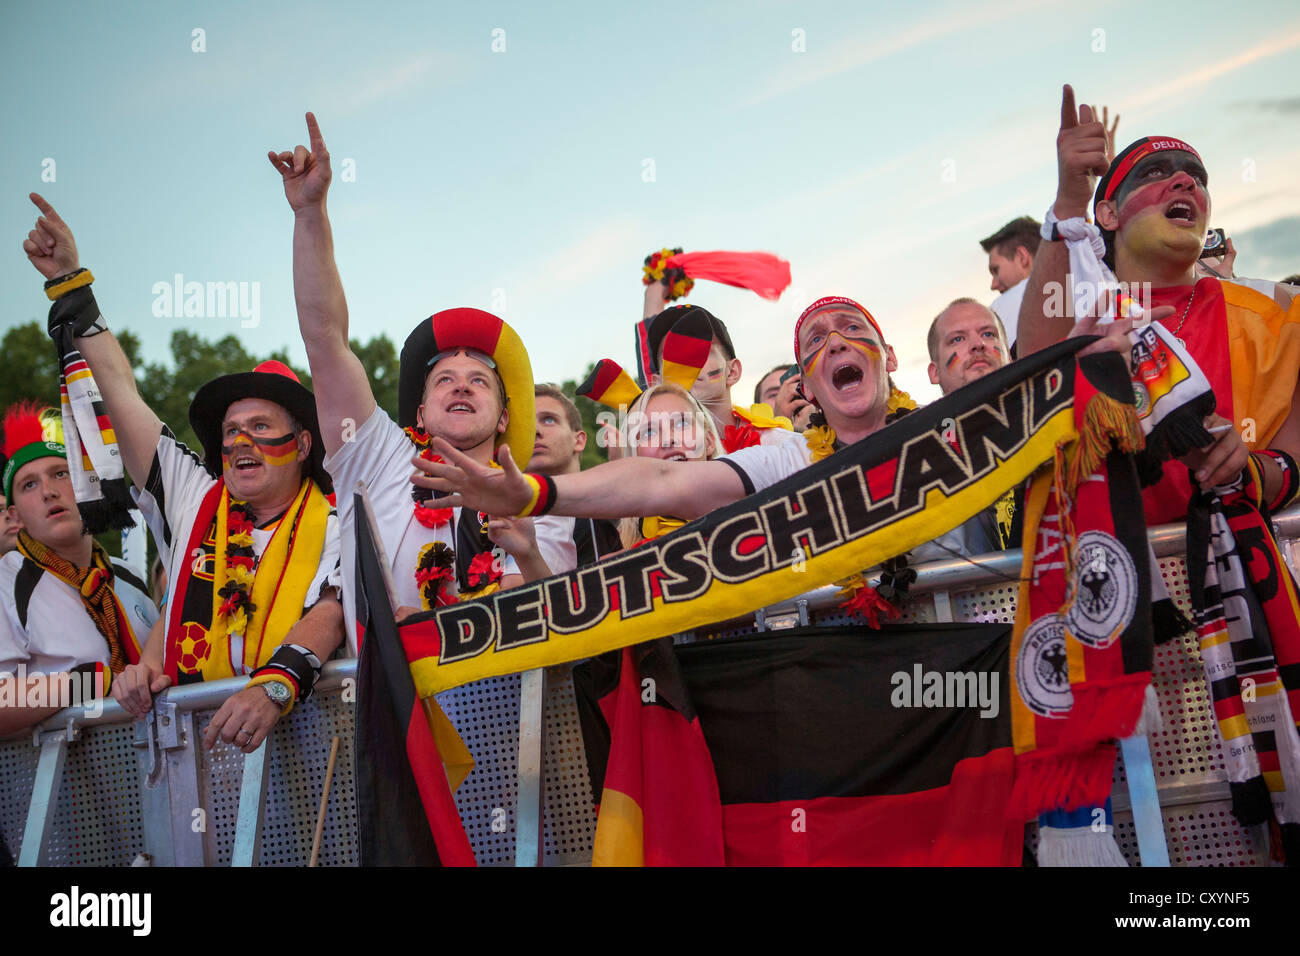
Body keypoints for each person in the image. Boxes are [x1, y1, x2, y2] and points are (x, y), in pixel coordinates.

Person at [414, 295, 1131, 556]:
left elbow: (1025, 375)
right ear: (810, 383)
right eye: (816, 339)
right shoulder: (791, 457)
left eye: (854, 329)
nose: (837, 342)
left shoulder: (955, 429)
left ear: (887, 358)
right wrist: (537, 497)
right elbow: (664, 481)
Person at [21, 194, 345, 754]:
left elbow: (332, 609)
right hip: (192, 761)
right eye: (230, 430)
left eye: (260, 426)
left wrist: (273, 684)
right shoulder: (194, 497)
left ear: (302, 444)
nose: (239, 440)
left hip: (311, 752)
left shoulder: (339, 517)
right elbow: (121, 393)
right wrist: (72, 285)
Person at [267, 113, 571, 637]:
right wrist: (310, 214)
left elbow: (545, 624)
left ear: (503, 418)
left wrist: (436, 625)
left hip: (509, 717)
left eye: (479, 381)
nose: (460, 384)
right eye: (443, 380)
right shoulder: (378, 456)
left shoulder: (539, 501)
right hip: (390, 714)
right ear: (423, 412)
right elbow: (325, 339)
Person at [1017, 85, 1300, 525]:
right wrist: (1071, 201)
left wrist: (1255, 473)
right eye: (1154, 173)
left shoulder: (1276, 312)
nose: (1186, 181)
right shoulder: (1085, 310)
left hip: (1247, 576)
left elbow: (1293, 457)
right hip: (1120, 579)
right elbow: (1032, 376)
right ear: (1108, 215)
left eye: (1197, 177)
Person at [0, 403, 156, 735]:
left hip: (156, 773)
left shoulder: (129, 578)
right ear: (14, 516)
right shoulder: (7, 582)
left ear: (89, 487)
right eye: (29, 484)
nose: (48, 491)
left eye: (61, 473)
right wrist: (88, 682)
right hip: (55, 785)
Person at [925, 299, 1014, 555]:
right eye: (957, 340)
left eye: (988, 334)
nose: (978, 344)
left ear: (1008, 355)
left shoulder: (1049, 416)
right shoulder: (919, 449)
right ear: (934, 372)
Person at [529, 384, 620, 566]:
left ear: (578, 440)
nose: (535, 431)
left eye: (548, 420)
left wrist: (620, 470)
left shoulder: (609, 504)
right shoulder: (491, 520)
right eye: (525, 425)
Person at [980, 216, 1040, 350]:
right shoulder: (1083, 287)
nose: (993, 285)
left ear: (1021, 257)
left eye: (996, 270)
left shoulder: (997, 311)